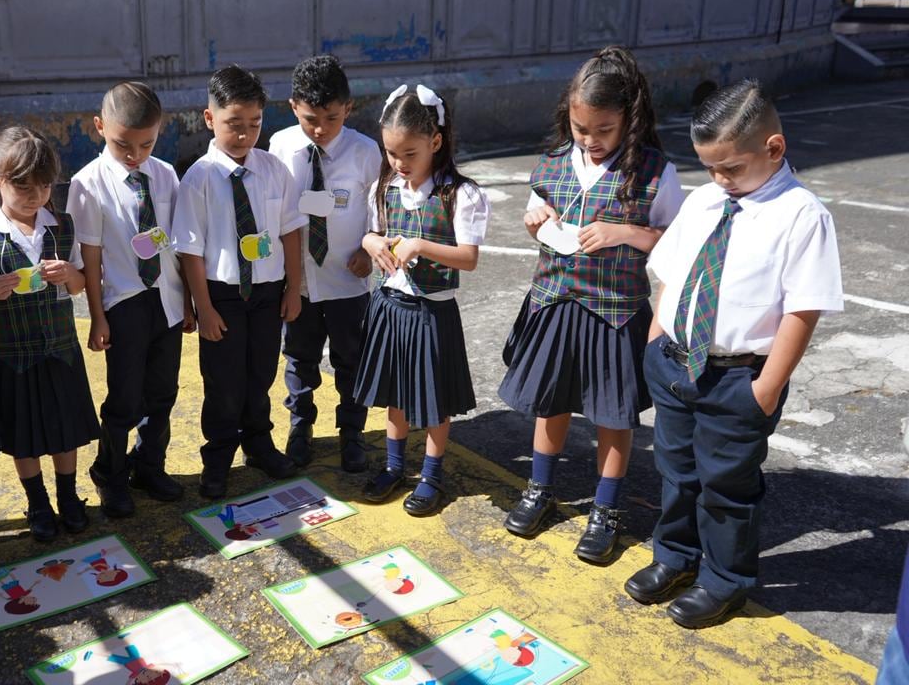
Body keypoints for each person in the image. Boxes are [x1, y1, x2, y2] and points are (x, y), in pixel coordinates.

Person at [624, 80, 843, 628]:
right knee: (676, 472)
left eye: (731, 168)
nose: (720, 179)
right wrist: (657, 340)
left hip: (737, 377)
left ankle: (724, 580)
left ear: (774, 148)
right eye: (710, 168)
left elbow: (803, 309)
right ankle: (675, 556)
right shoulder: (705, 201)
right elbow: (673, 275)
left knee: (727, 487)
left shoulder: (801, 215)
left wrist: (765, 388)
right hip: (676, 363)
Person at [497, 46, 685, 563]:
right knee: (550, 402)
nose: (591, 140)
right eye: (581, 128)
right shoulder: (555, 162)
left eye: (604, 129)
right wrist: (534, 220)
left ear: (630, 117)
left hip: (615, 311)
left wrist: (624, 231)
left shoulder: (653, 171)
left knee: (613, 414)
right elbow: (538, 209)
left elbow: (678, 241)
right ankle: (540, 488)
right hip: (555, 302)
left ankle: (606, 508)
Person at [173, 64, 306, 499]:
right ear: (209, 119)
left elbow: (290, 229)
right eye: (234, 125)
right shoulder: (199, 178)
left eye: (254, 124)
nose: (245, 134)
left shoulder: (273, 170)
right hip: (223, 297)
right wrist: (203, 307)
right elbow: (190, 249)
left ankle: (259, 444)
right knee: (224, 382)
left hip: (267, 294)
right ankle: (218, 456)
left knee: (261, 372)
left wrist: (293, 287)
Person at [354, 83, 488, 517]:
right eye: (391, 153)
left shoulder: (459, 194)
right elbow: (371, 232)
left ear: (435, 142)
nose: (399, 163)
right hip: (391, 307)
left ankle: (431, 475)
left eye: (409, 154)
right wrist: (370, 241)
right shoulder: (385, 186)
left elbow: (467, 259)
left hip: (433, 311)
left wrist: (421, 245)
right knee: (395, 393)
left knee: (432, 399)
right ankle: (394, 466)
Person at [0, 126, 97, 540]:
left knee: (63, 430)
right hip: (12, 356)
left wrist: (73, 274)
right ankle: (38, 502)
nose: (36, 194)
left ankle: (69, 497)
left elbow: (80, 285)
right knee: (24, 437)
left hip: (61, 349)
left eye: (44, 184)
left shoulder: (62, 226)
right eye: (24, 186)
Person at [68, 82, 193, 519]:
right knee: (124, 399)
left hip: (167, 300)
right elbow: (90, 254)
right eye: (123, 143)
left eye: (147, 143)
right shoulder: (87, 184)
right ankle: (111, 473)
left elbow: (177, 244)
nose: (134, 154)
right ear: (99, 127)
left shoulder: (165, 174)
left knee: (162, 393)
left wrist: (189, 304)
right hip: (123, 304)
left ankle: (149, 465)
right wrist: (97, 318)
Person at [268, 55, 381, 472]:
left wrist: (369, 251)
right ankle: (301, 427)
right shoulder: (280, 146)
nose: (319, 128)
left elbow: (380, 210)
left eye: (331, 118)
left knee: (351, 360)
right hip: (298, 281)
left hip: (347, 281)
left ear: (348, 109)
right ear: (294, 105)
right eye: (310, 118)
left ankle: (351, 432)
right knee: (299, 358)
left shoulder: (366, 153)